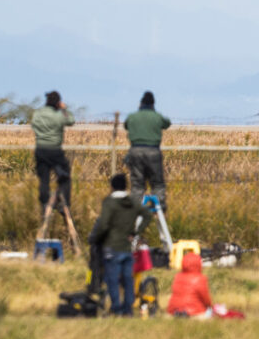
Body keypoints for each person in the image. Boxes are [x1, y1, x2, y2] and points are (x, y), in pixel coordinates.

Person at [87, 173, 152, 317]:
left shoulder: (109, 202)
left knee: (113, 279)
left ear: (112, 186)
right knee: (128, 279)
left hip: (112, 247)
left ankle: (116, 308)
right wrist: (136, 232)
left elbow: (103, 225)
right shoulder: (132, 202)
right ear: (126, 186)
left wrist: (96, 238)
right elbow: (147, 214)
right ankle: (128, 309)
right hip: (126, 248)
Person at [124, 91, 172, 210]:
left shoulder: (132, 116)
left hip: (135, 151)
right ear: (153, 104)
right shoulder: (156, 116)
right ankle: (159, 206)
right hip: (153, 151)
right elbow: (167, 123)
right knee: (157, 182)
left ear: (141, 103)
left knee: (137, 184)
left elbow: (126, 125)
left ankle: (135, 207)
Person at [31, 90, 75, 215]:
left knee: (44, 179)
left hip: (40, 149)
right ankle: (64, 202)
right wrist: (64, 109)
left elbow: (33, 124)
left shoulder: (38, 114)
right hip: (55, 150)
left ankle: (45, 203)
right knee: (65, 176)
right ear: (57, 103)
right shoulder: (58, 115)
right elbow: (71, 120)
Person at [167, 252, 214, 319]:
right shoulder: (200, 278)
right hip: (194, 312)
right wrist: (210, 306)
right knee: (210, 311)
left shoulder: (177, 277)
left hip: (174, 311)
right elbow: (206, 299)